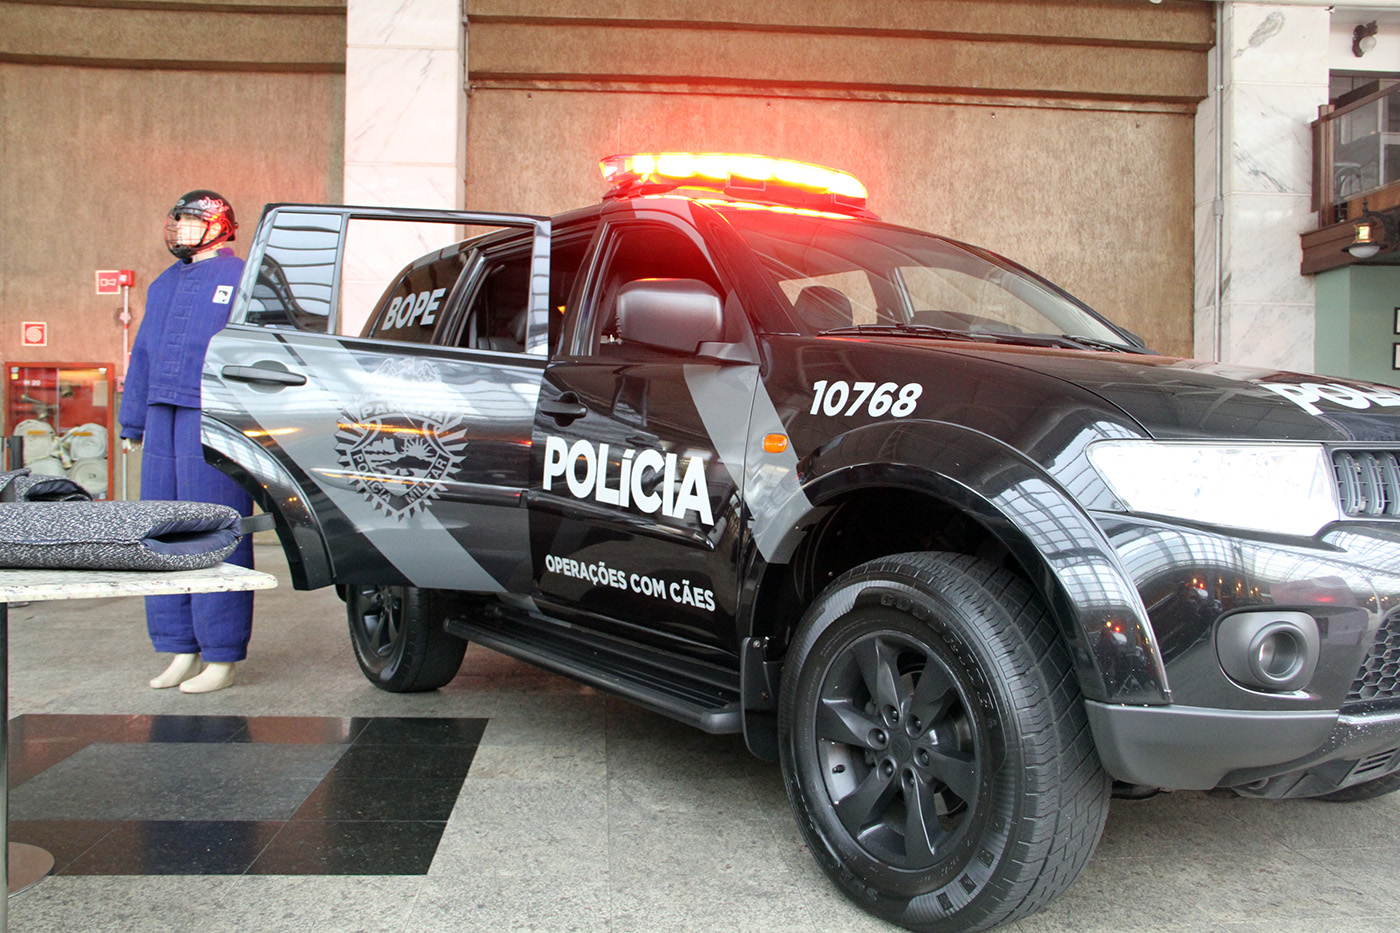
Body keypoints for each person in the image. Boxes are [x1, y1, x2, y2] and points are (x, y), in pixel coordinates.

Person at [118, 190, 254, 694]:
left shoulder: (244, 275)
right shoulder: (161, 283)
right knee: (160, 534)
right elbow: (142, 354)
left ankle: (221, 653)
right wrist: (132, 422)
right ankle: (179, 647)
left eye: (190, 222)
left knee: (216, 531)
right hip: (162, 415)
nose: (179, 231)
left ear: (218, 225)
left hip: (212, 417)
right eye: (176, 222)